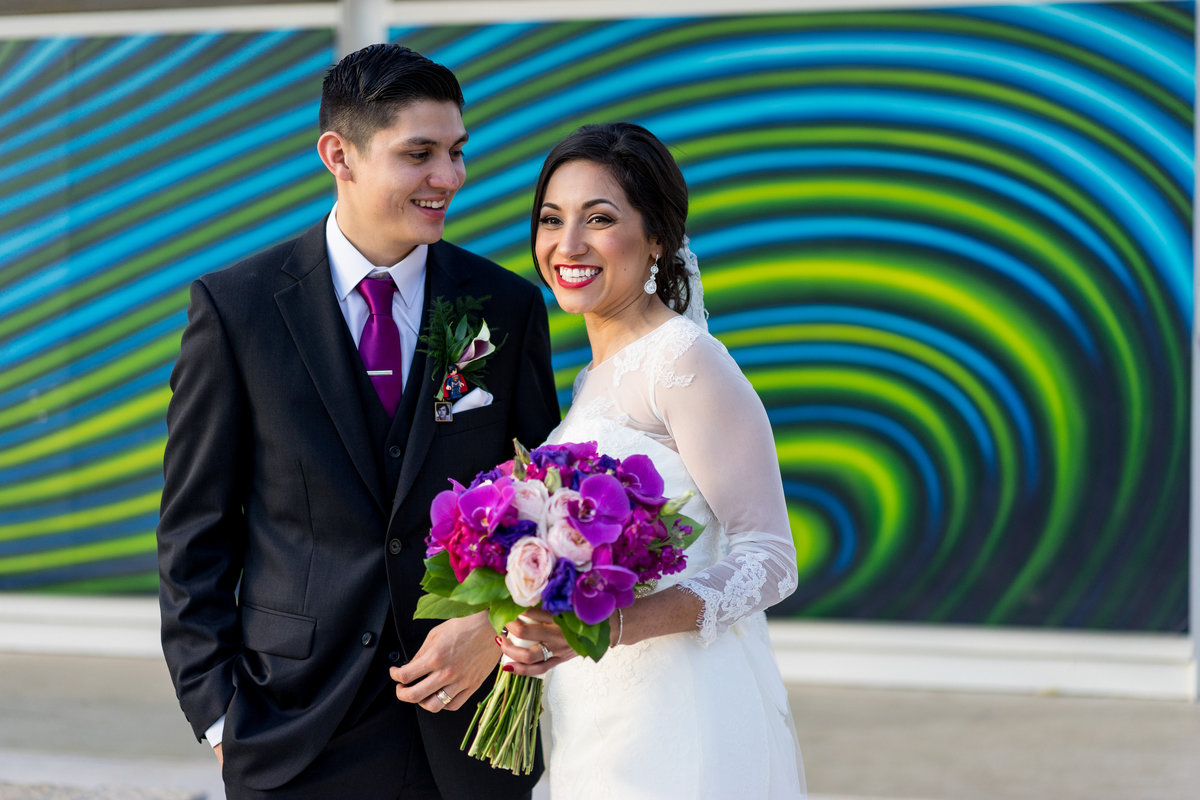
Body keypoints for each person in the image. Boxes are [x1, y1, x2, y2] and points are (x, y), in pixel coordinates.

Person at [157, 43, 559, 799]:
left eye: (456, 152)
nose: (449, 177)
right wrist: (219, 719)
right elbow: (194, 535)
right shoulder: (235, 309)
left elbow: (540, 499)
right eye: (420, 154)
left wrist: (494, 625)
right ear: (338, 154)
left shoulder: (501, 307)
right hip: (294, 724)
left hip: (465, 723)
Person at [500, 122, 806, 798]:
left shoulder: (684, 362)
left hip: (676, 709)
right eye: (552, 220)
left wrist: (614, 624)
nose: (567, 245)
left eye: (599, 219)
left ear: (658, 236)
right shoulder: (590, 381)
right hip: (591, 711)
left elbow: (770, 558)